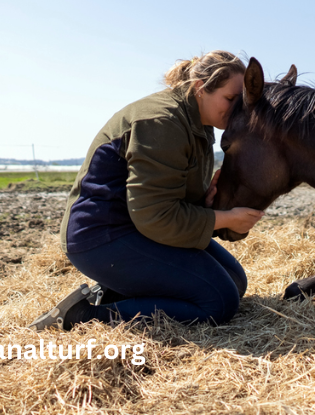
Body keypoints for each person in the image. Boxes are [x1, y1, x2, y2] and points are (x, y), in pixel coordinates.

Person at [30, 50, 265, 331]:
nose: (237, 109)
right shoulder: (161, 120)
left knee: (235, 282)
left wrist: (208, 203)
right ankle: (79, 317)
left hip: (139, 229)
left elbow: (167, 197)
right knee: (219, 303)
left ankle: (120, 291)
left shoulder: (199, 124)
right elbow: (156, 215)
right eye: (230, 99)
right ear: (200, 88)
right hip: (102, 237)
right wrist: (224, 219)